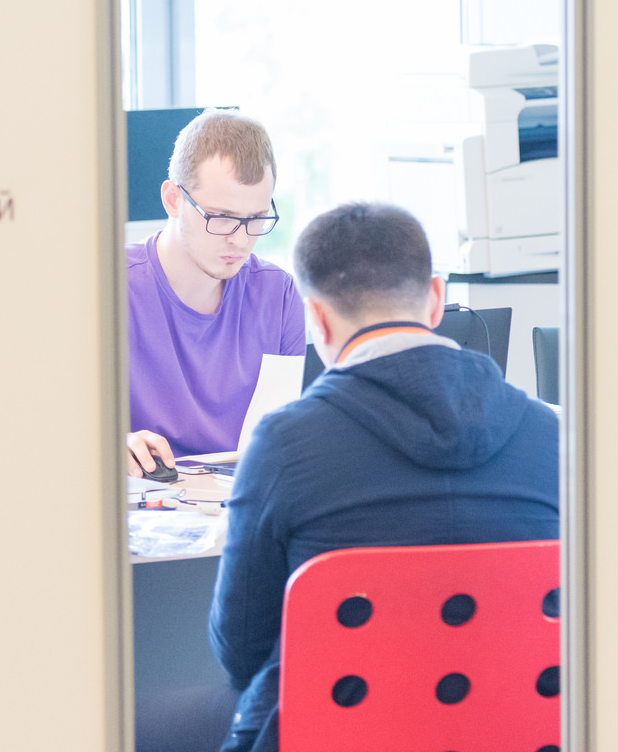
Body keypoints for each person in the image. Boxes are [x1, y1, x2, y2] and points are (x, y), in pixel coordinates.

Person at [208, 201, 560, 752]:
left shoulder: (285, 445)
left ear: (317, 319)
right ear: (436, 298)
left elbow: (242, 650)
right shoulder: (549, 435)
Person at [126, 111, 304, 475]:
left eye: (256, 219)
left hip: (239, 499)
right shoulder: (108, 291)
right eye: (221, 218)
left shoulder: (278, 296)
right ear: (173, 200)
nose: (241, 240)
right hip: (143, 499)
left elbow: (282, 447)